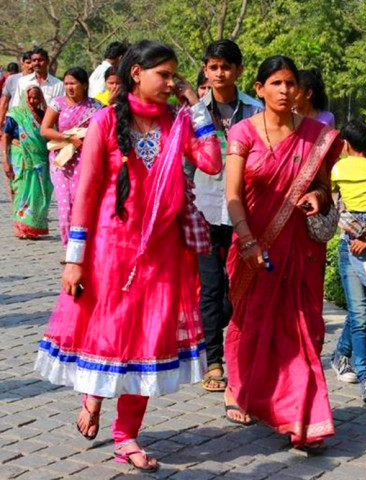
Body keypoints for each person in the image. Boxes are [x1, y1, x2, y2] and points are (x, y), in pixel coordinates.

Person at [34, 40, 222, 471]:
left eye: (176, 76)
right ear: (137, 73)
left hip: (163, 253)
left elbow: (211, 162)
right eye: (165, 75)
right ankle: (94, 396)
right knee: (109, 336)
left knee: (149, 342)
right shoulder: (104, 122)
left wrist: (194, 108)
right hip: (109, 253)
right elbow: (85, 192)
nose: (171, 83)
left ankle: (127, 436)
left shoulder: (178, 123)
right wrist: (75, 258)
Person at [225, 55, 343, 451]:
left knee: (300, 332)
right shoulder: (243, 132)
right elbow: (233, 195)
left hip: (300, 250)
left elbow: (328, 189)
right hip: (254, 245)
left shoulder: (316, 135)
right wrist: (246, 240)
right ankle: (243, 387)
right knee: (254, 323)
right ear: (258, 88)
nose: (284, 91)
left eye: (291, 83)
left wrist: (317, 196)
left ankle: (304, 420)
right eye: (275, 83)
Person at [194, 39, 262, 395]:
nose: (220, 73)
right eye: (213, 66)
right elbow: (185, 162)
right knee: (210, 288)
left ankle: (239, 354)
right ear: (206, 69)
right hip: (204, 208)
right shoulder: (194, 112)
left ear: (239, 70)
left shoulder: (256, 111)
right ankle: (214, 359)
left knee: (240, 289)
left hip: (246, 212)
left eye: (226, 66)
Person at [330, 119, 366, 403]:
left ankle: (341, 355)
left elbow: (327, 196)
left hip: (349, 244)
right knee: (363, 311)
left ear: (346, 145)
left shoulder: (338, 167)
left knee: (360, 311)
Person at [40, 67, 103, 246]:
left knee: (81, 203)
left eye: (73, 83)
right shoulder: (57, 104)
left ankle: (83, 245)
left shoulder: (95, 107)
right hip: (61, 161)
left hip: (85, 160)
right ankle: (69, 247)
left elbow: (103, 129)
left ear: (84, 84)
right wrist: (68, 138)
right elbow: (45, 129)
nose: (69, 87)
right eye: (66, 83)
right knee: (65, 204)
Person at [1, 85, 52, 238]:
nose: (32, 101)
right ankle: (21, 227)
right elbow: (6, 137)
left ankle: (34, 226)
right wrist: (5, 160)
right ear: (24, 97)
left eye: (36, 97)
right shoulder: (16, 115)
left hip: (41, 161)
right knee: (21, 191)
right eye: (30, 97)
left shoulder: (44, 115)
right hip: (21, 160)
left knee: (41, 193)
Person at [0, 51, 33, 128]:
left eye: (33, 63)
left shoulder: (40, 82)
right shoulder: (12, 79)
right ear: (22, 63)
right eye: (28, 63)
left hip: (32, 124)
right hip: (13, 121)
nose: (31, 66)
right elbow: (4, 103)